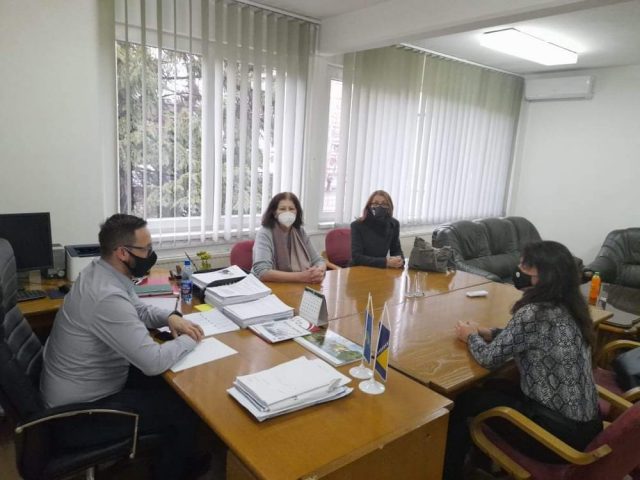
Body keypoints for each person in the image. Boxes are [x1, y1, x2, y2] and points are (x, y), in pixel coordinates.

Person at [40, 214, 206, 480]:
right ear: (122, 252)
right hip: (78, 416)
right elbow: (152, 362)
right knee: (183, 409)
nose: (151, 255)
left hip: (86, 387)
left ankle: (175, 456)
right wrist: (191, 338)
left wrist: (170, 317)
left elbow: (137, 309)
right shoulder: (105, 296)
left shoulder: (101, 272)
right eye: (146, 249)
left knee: (175, 388)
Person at [443, 240, 602, 479]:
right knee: (493, 386)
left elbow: (488, 358)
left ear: (546, 276)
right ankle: (479, 460)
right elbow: (533, 337)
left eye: (526, 266)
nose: (518, 269)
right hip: (587, 426)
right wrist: (490, 332)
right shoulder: (571, 306)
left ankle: (450, 472)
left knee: (464, 401)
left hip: (555, 438)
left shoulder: (534, 312)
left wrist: (471, 336)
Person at [252, 192, 326, 283]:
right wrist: (302, 277)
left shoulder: (300, 232)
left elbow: (318, 260)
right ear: (274, 213)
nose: (287, 212)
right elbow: (262, 272)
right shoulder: (265, 232)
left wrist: (319, 272)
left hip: (299, 285)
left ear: (296, 212)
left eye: (291, 209)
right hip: (270, 286)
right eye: (282, 209)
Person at [351, 190, 404, 268]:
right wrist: (386, 262)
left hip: (381, 268)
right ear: (369, 206)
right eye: (375, 204)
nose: (379, 207)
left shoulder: (393, 224)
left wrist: (399, 260)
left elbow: (396, 250)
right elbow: (357, 257)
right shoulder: (357, 225)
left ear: (389, 207)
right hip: (359, 268)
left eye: (384, 204)